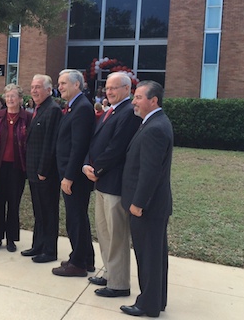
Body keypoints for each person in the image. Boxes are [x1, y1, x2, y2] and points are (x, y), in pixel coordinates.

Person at [83, 72, 141, 298]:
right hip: (101, 182)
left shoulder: (129, 114)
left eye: (114, 88)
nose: (109, 92)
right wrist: (87, 164)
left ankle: (119, 284)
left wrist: (96, 169)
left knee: (117, 236)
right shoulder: (111, 111)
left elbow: (117, 148)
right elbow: (96, 142)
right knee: (104, 232)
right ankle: (109, 273)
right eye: (107, 88)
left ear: (127, 89)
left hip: (114, 184)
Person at [120, 80, 173, 318]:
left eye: (139, 97)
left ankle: (148, 305)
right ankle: (155, 300)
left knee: (149, 256)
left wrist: (138, 203)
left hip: (148, 207)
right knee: (155, 255)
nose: (134, 101)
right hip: (153, 206)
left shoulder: (155, 128)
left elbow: (150, 172)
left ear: (154, 101)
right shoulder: (152, 123)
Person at [52, 69, 96, 277]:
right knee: (78, 218)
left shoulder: (82, 108)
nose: (59, 87)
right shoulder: (73, 106)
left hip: (75, 177)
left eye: (63, 83)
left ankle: (77, 263)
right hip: (70, 173)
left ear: (76, 84)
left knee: (75, 219)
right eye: (59, 84)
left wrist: (68, 177)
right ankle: (85, 258)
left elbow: (78, 147)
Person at [0, 84, 31, 252]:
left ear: (20, 99)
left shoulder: (27, 117)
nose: (10, 99)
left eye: (13, 96)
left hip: (17, 167)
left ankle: (11, 239)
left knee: (13, 204)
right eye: (7, 96)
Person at [21, 74, 62, 263]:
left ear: (49, 90)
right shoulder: (39, 108)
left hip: (44, 172)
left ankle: (49, 251)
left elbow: (50, 143)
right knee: (38, 211)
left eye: (38, 87)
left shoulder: (52, 110)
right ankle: (38, 245)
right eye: (32, 87)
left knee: (48, 211)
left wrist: (43, 170)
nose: (34, 90)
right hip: (34, 171)